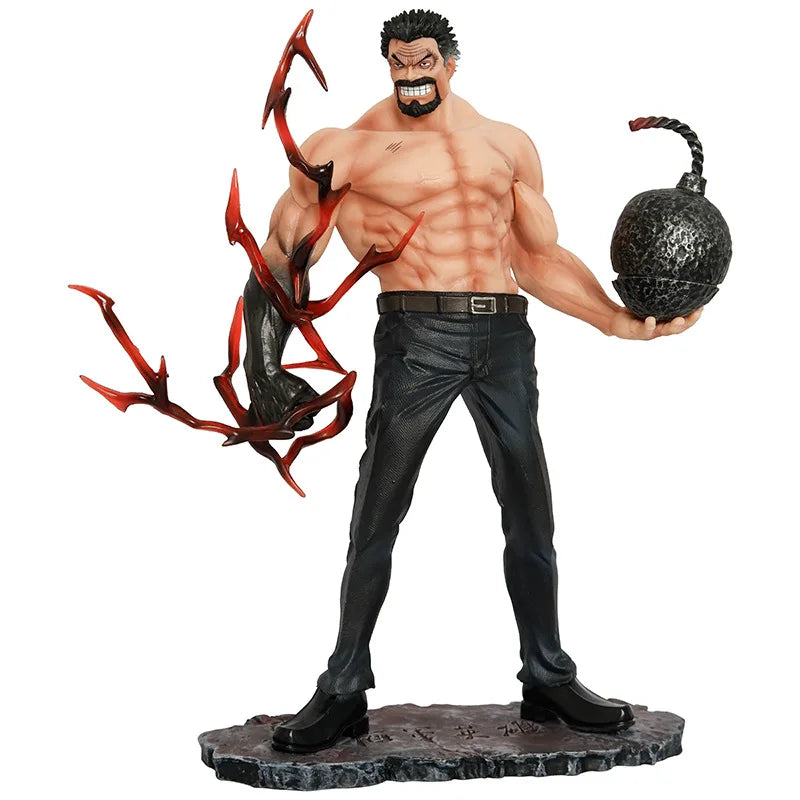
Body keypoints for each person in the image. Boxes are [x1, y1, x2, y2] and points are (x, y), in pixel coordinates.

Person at [243, 9, 701, 754]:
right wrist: (263, 365)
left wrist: (615, 321)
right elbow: (280, 256)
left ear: (450, 64)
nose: (410, 74)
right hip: (416, 335)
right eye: (398, 62)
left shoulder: (507, 144)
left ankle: (548, 677)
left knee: (530, 510)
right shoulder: (342, 150)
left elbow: (537, 259)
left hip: (505, 334)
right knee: (377, 513)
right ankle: (342, 688)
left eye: (423, 60)